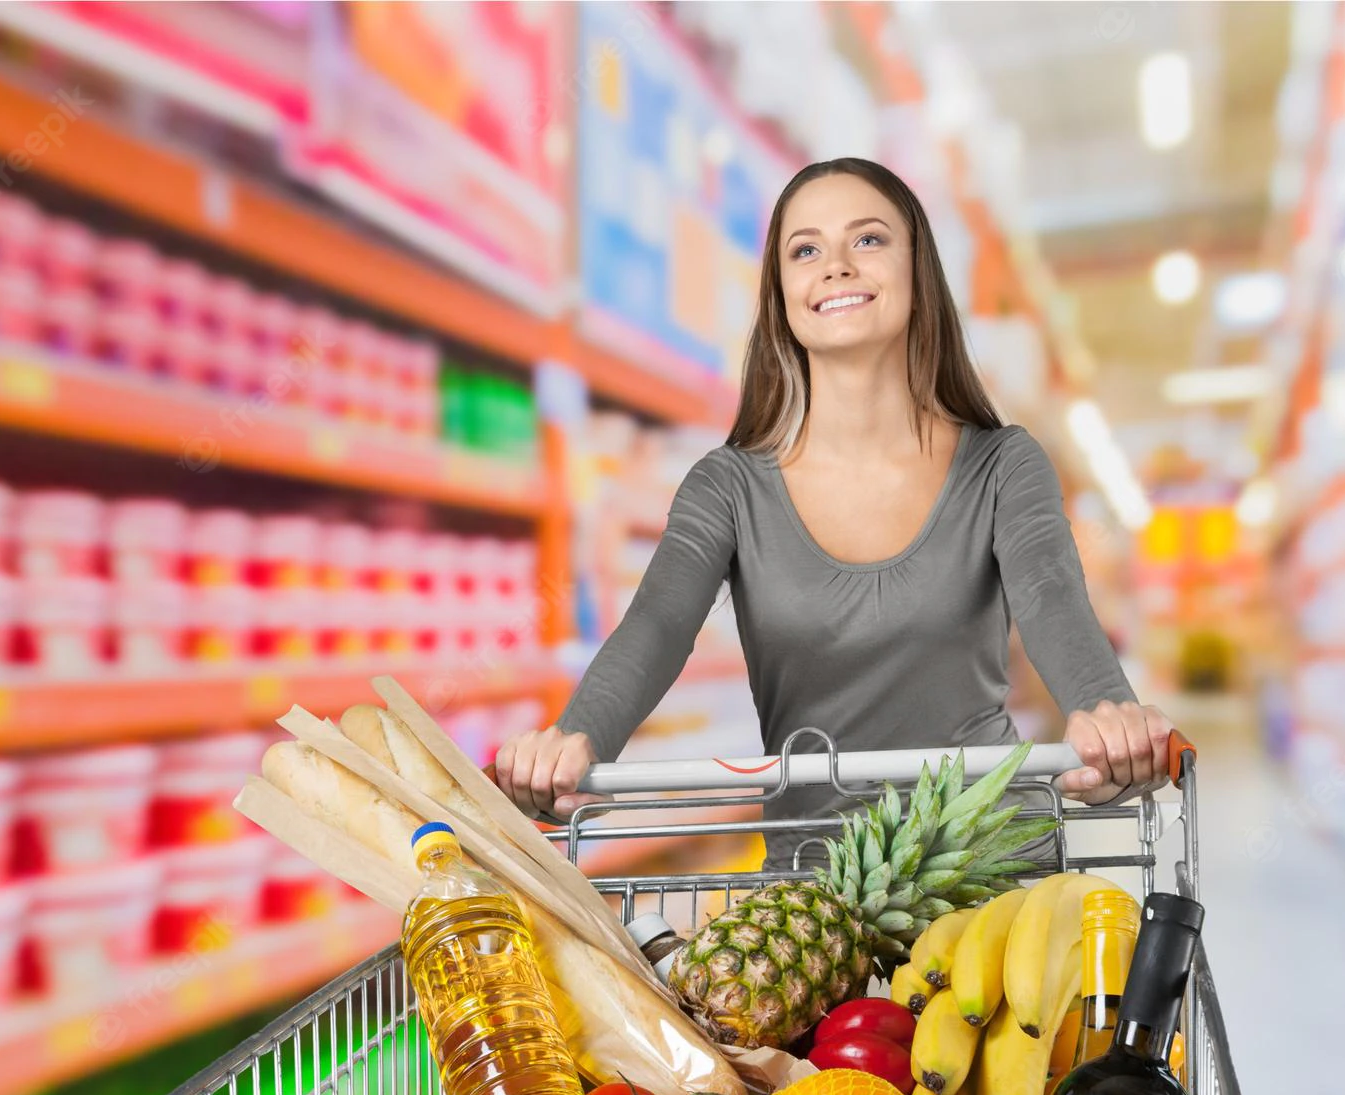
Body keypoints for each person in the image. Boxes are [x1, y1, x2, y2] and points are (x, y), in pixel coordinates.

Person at [497, 158, 1171, 869]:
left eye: (870, 240)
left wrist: (1106, 709)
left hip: (989, 876)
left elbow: (1050, 595)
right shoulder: (727, 487)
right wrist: (576, 735)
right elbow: (658, 624)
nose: (837, 267)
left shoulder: (1002, 465)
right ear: (781, 291)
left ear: (920, 272)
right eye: (806, 249)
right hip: (817, 890)